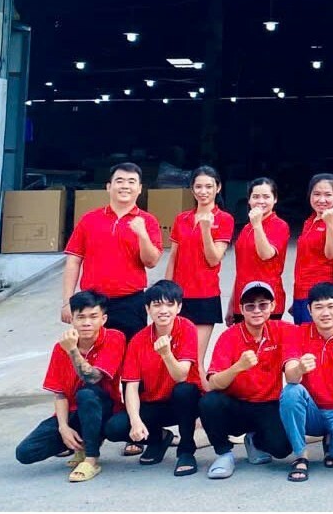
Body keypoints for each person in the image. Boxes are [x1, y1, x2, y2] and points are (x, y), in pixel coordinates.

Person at [16, 291, 126, 483]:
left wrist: (73, 350)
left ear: (103, 319)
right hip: (74, 411)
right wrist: (63, 427)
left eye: (93, 317)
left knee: (87, 394)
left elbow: (92, 377)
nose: (86, 323)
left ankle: (91, 459)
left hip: (106, 409)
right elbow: (59, 394)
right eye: (80, 317)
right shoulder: (60, 348)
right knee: (25, 452)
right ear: (72, 320)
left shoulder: (114, 338)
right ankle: (78, 443)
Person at [104, 281, 202, 477]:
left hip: (184, 402)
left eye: (169, 304)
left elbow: (181, 375)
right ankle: (158, 439)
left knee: (184, 390)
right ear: (148, 309)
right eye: (157, 305)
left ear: (179, 307)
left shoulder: (187, 328)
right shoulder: (138, 340)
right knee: (114, 428)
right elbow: (131, 387)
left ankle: (186, 450)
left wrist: (166, 354)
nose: (163, 310)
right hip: (153, 403)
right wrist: (135, 421)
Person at [200, 282, 295, 479]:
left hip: (268, 405)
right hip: (236, 405)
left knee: (283, 448)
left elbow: (315, 330)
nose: (257, 310)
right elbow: (213, 383)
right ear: (241, 309)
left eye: (263, 305)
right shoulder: (229, 336)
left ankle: (255, 440)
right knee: (209, 402)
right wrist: (238, 367)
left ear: (273, 306)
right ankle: (224, 454)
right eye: (250, 306)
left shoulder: (283, 330)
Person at [62, 162, 162, 340]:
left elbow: (151, 262)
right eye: (119, 181)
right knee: (92, 352)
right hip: (93, 303)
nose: (125, 186)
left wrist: (142, 235)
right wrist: (67, 301)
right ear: (109, 187)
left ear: (140, 188)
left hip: (130, 302)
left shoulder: (148, 221)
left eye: (131, 182)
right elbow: (73, 261)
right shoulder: (89, 219)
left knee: (132, 351)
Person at [280, 282, 333, 482]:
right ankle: (301, 455)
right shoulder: (297, 333)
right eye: (318, 307)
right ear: (309, 310)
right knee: (291, 392)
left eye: (331, 306)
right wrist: (300, 368)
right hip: (310, 410)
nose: (325, 313)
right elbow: (290, 377)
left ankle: (332, 443)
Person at [166, 166, 234, 373]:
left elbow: (213, 259)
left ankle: (202, 392)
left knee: (194, 360)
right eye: (198, 187)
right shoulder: (182, 219)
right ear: (192, 189)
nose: (203, 191)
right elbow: (173, 257)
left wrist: (205, 229)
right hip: (179, 296)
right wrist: (166, 291)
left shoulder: (224, 219)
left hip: (205, 295)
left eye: (208, 186)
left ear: (218, 188)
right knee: (176, 355)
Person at [230, 178, 290, 322]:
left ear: (275, 199)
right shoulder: (246, 228)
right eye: (256, 197)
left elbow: (266, 254)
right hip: (243, 299)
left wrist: (257, 225)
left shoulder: (280, 225)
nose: (260, 201)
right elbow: (241, 270)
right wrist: (232, 303)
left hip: (267, 300)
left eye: (266, 197)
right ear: (249, 200)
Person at [292, 173, 333, 325]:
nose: (321, 200)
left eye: (328, 195)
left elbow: (332, 253)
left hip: (321, 294)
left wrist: (330, 223)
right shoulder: (309, 221)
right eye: (316, 194)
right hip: (300, 292)